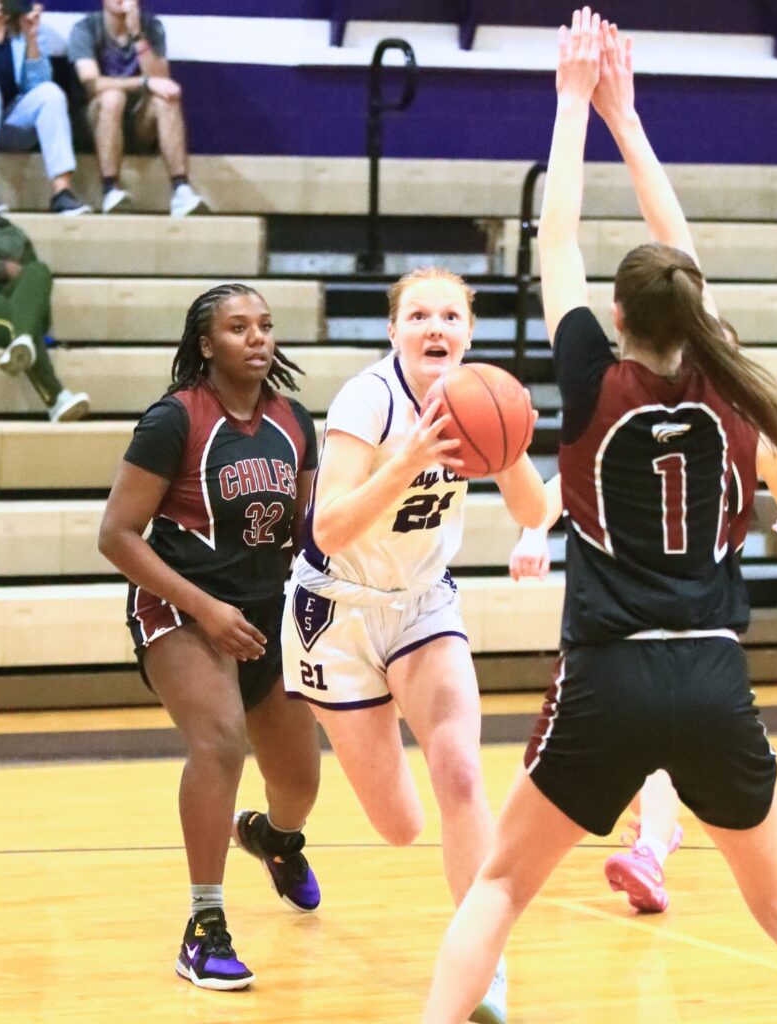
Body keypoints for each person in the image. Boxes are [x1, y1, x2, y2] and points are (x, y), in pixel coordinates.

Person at [422, 11, 777, 1024]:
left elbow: (558, 237)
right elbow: (679, 256)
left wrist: (574, 105)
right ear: (693, 310)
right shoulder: (726, 377)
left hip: (609, 672)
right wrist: (632, 122)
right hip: (714, 672)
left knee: (497, 888)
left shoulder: (591, 380)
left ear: (617, 318)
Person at [281, 265, 546, 1024]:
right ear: (393, 330)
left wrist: (502, 442)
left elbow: (535, 507)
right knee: (400, 826)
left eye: (452, 317)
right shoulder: (368, 398)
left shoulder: (482, 395)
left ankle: (482, 966)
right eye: (421, 315)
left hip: (424, 604)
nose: (437, 328)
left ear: (470, 332)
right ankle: (274, 832)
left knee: (461, 772)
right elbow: (327, 528)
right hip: (336, 612)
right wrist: (412, 455)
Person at [98, 283, 322, 991]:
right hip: (182, 608)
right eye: (237, 327)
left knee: (300, 781)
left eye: (265, 325)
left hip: (267, 612)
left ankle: (272, 838)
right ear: (205, 344)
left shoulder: (294, 420)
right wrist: (206, 607)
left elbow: (312, 530)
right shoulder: (173, 420)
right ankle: (204, 925)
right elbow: (116, 535)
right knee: (221, 741)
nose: (257, 337)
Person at [508, 476, 683, 914]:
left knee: (658, 735)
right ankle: (657, 827)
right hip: (607, 626)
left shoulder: (704, 438)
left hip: (677, 621)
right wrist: (534, 534)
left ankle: (653, 849)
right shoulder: (615, 428)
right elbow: (563, 482)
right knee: (608, 743)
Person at [0, 145, 88, 419]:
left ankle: (24, 340)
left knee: (38, 270)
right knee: (15, 323)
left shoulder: (10, 230)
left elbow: (29, 279)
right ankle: (56, 397)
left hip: (10, 299)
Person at [68, 0, 207, 216]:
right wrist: (142, 83)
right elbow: (91, 83)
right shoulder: (86, 28)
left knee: (165, 99)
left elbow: (162, 82)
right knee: (113, 97)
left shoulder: (151, 27)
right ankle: (110, 189)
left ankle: (181, 190)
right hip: (97, 123)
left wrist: (137, 36)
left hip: (139, 124)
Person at [0, 0, 91, 214]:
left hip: (9, 123)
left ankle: (62, 193)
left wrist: (31, 37)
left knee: (51, 93)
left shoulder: (22, 24)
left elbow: (37, 83)